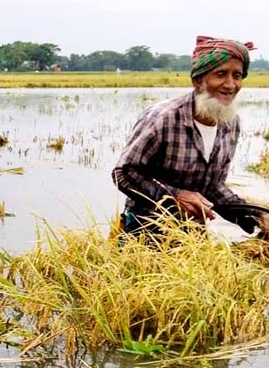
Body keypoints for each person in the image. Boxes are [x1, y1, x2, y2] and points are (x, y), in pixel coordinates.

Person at [113, 35, 269, 236]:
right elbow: (123, 174)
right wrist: (175, 196)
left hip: (193, 233)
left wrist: (257, 217)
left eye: (237, 75)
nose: (230, 84)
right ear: (197, 80)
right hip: (144, 231)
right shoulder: (163, 118)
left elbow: (213, 188)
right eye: (220, 74)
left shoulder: (230, 123)